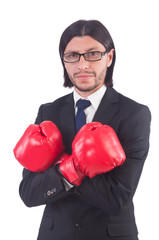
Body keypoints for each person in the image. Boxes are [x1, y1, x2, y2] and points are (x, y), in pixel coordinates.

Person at [17, 20, 151, 240]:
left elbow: (118, 197)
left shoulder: (134, 114)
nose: (82, 65)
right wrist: (74, 169)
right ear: (64, 60)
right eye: (72, 55)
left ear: (109, 57)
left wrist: (60, 168)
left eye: (92, 54)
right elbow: (29, 193)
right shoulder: (48, 112)